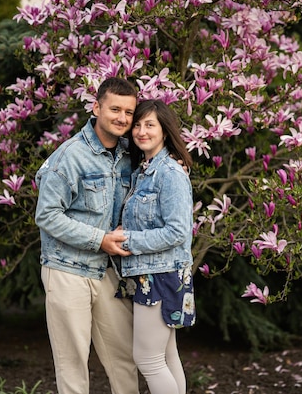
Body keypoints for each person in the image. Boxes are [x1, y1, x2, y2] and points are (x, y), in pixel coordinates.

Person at [34, 77, 140, 394]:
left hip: (108, 272)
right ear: (96, 108)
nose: (122, 118)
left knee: (124, 359)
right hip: (67, 270)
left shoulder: (129, 155)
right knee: (73, 364)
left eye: (129, 112)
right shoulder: (70, 156)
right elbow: (47, 214)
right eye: (115, 109)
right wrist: (100, 239)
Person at [113, 99, 196, 394]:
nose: (141, 131)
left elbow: (176, 232)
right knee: (166, 356)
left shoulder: (169, 174)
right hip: (155, 273)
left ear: (164, 130)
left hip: (161, 276)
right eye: (137, 124)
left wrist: (128, 240)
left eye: (149, 125)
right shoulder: (143, 172)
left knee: (147, 359)